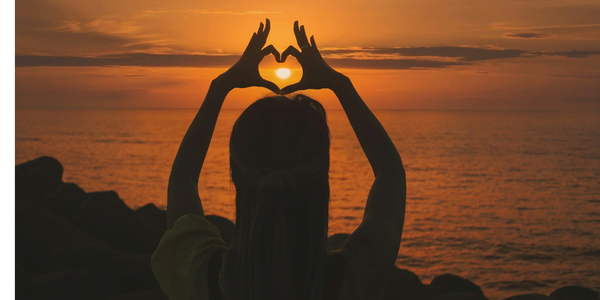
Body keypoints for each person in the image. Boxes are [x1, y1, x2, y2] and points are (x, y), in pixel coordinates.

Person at [151, 19, 407, 300]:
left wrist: (221, 86)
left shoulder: (203, 276)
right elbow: (390, 171)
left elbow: (182, 178)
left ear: (237, 176)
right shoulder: (352, 277)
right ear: (322, 179)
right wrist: (339, 84)